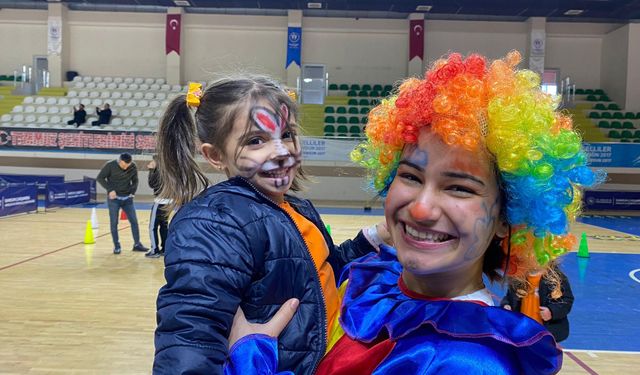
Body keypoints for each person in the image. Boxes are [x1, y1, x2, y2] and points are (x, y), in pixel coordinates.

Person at [222, 51, 602, 374]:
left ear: (507, 217)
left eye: (459, 187)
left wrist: (249, 357)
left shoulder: (467, 361)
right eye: (410, 176)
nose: (420, 208)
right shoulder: (377, 285)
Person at [152, 78, 388, 374]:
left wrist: (372, 239)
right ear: (215, 155)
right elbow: (190, 335)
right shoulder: (214, 221)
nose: (281, 151)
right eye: (255, 141)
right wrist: (249, 356)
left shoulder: (296, 207)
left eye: (286, 135)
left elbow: (317, 275)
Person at [501, 263, 575, 343]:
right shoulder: (519, 277)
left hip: (545, 334)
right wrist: (506, 305)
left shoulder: (556, 278)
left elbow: (567, 300)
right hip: (523, 332)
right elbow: (509, 297)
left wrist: (551, 311)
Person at [96, 153, 149, 254]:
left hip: (127, 199)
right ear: (120, 161)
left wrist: (132, 193)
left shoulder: (132, 166)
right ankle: (117, 246)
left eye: (127, 165)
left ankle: (137, 244)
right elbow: (100, 178)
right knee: (114, 223)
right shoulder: (110, 165)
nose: (125, 167)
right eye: (124, 165)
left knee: (134, 221)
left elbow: (135, 181)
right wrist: (110, 189)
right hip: (114, 200)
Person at [145, 155, 170, 258]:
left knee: (152, 227)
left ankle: (154, 250)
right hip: (168, 202)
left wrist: (151, 170)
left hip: (160, 202)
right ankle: (164, 249)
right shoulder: (168, 170)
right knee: (164, 227)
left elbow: (152, 184)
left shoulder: (158, 172)